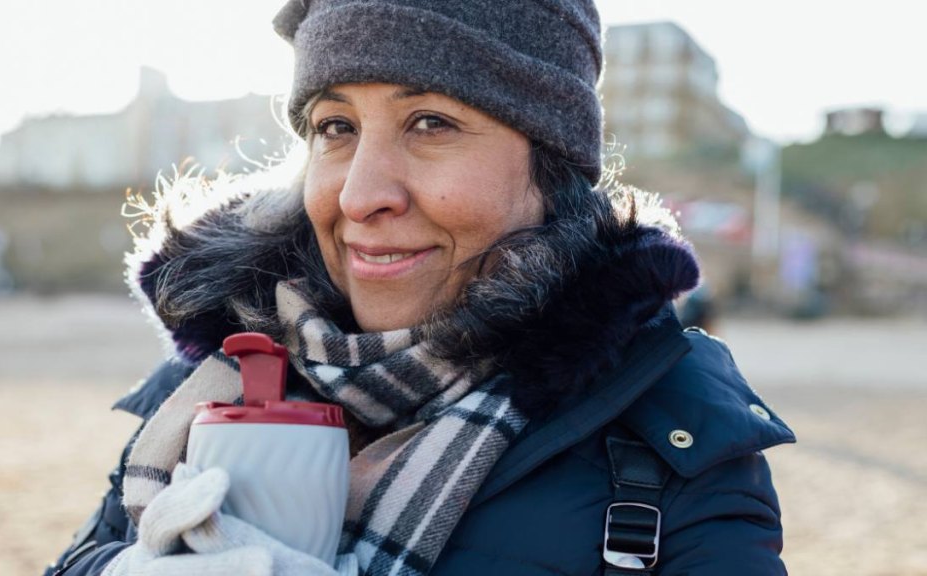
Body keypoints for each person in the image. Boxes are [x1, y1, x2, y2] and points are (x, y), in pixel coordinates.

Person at [45, 1, 795, 574]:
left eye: (431, 122)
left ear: (552, 164)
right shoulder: (208, 386)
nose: (357, 195)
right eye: (335, 128)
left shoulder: (675, 454)